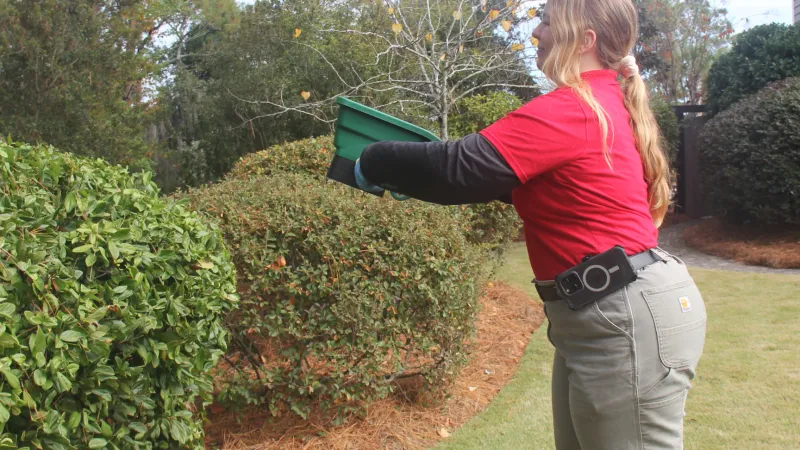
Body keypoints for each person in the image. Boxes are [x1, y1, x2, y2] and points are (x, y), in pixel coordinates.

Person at [354, 0, 707, 448]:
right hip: (600, 315)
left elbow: (456, 169)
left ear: (584, 40)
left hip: (621, 318)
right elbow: (504, 182)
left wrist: (373, 158)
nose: (535, 32)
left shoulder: (575, 108)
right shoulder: (602, 103)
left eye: (546, 21)